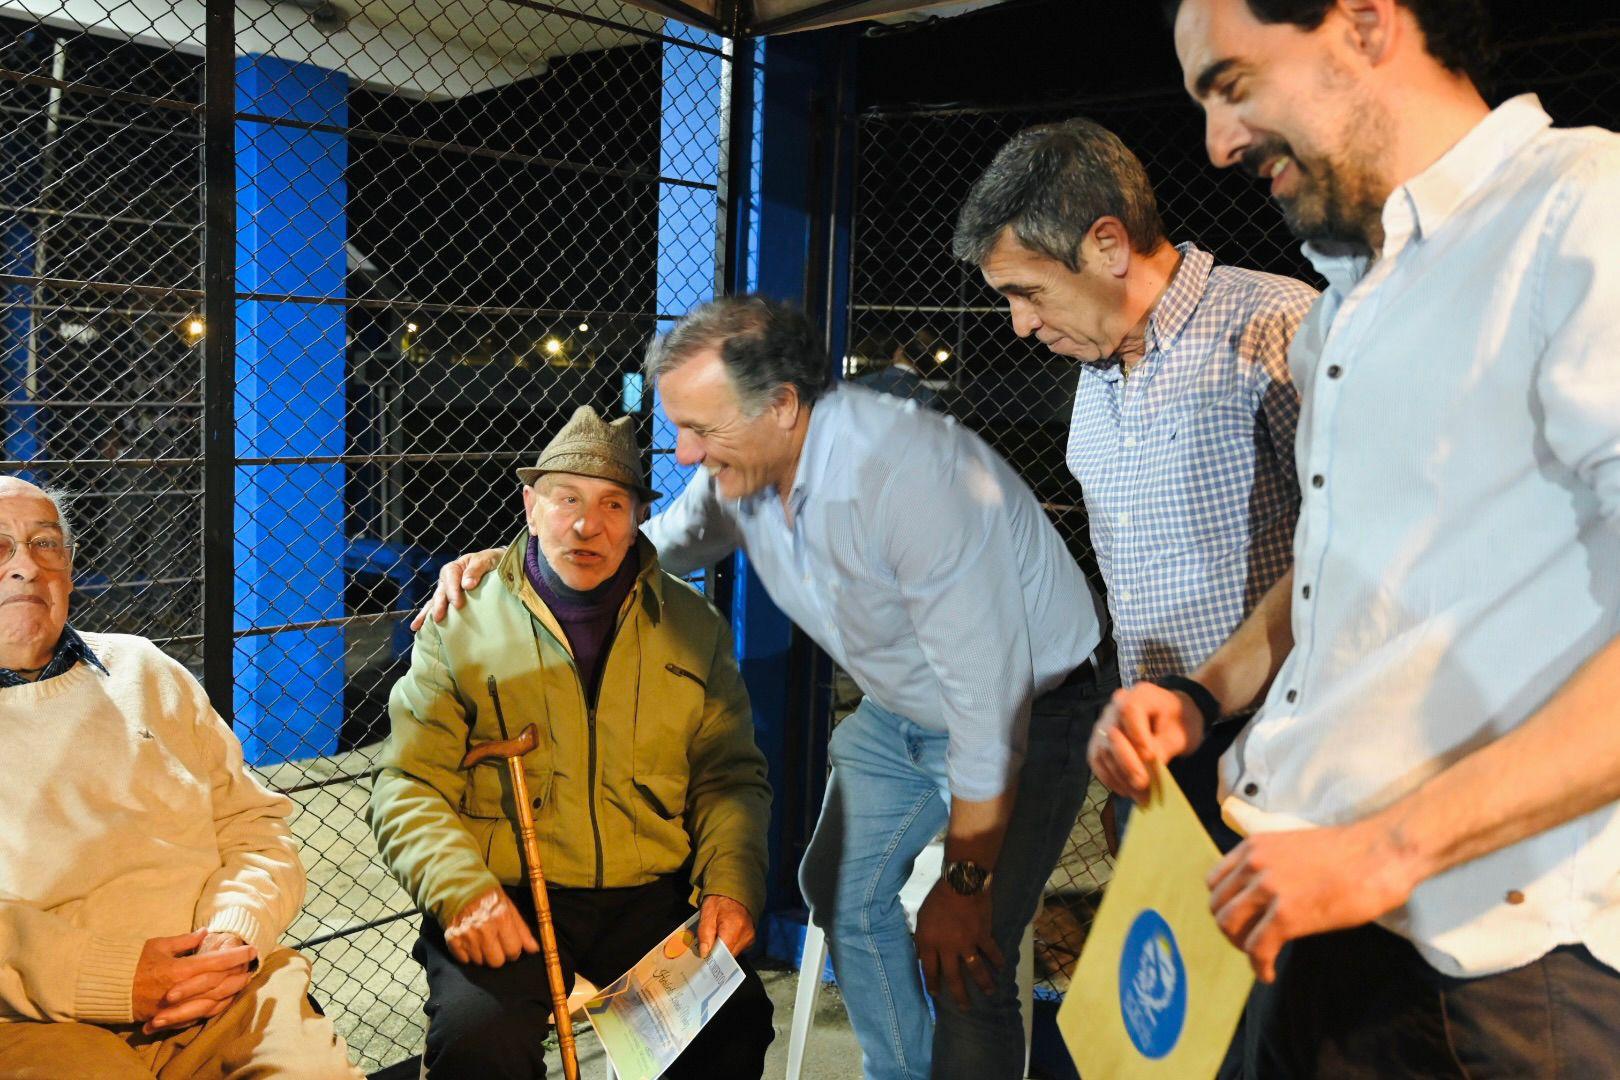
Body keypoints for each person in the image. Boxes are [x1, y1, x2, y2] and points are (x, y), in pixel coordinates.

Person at [1094, 0, 1620, 1072]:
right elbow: (1344, 570)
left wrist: (1386, 852)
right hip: (1316, 908)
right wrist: (1203, 695)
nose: (1217, 145)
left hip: (1496, 971)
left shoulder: (1583, 212)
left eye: (1232, 84)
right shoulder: (1347, 299)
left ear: (1367, 23)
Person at [414, 297, 1113, 1080]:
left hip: (1025, 704)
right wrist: (516, 561)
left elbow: (988, 707)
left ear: (782, 407)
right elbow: (642, 544)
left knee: (967, 951)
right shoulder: (739, 472)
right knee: (840, 895)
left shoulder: (912, 489)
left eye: (700, 429)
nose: (680, 454)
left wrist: (965, 879)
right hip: (904, 705)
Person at [370, 407, 776, 1079]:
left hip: (649, 894)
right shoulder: (460, 623)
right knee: (479, 1041)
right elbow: (406, 784)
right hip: (509, 895)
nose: (588, 526)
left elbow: (728, 776)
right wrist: (460, 889)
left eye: (613, 504)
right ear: (531, 507)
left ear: (639, 517)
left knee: (728, 1027)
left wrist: (731, 885)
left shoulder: (692, 626)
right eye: (567, 500)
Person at [953, 117, 1317, 852]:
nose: (1020, 325)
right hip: (1161, 752)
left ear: (1108, 246)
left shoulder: (1277, 324)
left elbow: (1359, 553)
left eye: (1028, 292)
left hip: (1288, 753)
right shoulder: (1095, 372)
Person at [0, 477, 360, 1079]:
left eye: (45, 544)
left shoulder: (145, 669)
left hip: (225, 995)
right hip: (40, 1024)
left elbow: (255, 827)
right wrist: (114, 979)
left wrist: (233, 934)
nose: (25, 568)